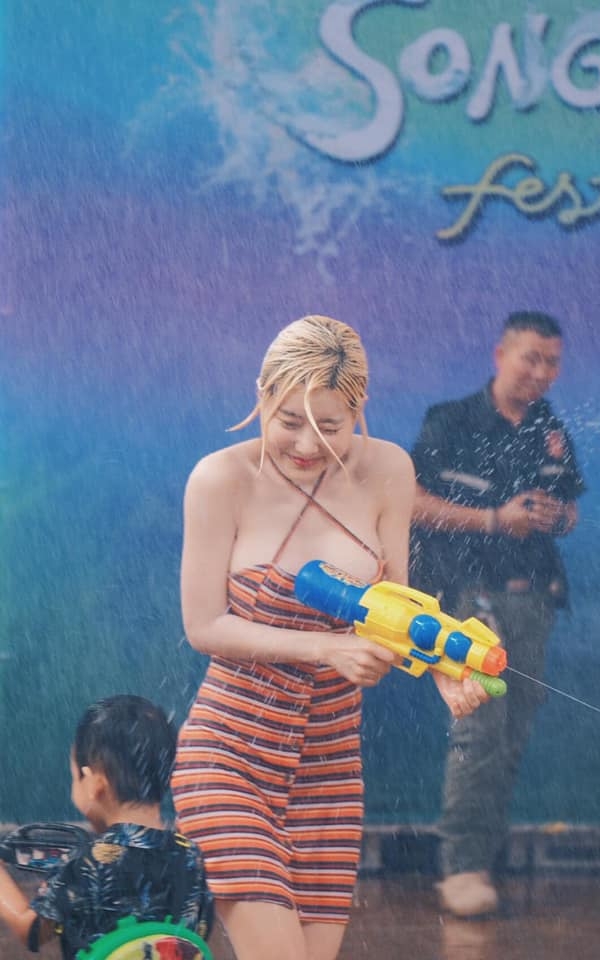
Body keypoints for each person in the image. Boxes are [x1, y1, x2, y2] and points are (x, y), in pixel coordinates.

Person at [170, 314, 486, 960]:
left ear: (359, 409)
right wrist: (325, 648)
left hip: (330, 772)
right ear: (261, 394)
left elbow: (393, 605)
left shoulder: (389, 470)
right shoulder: (219, 480)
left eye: (330, 426)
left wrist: (438, 661)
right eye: (289, 421)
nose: (307, 445)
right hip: (229, 758)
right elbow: (203, 626)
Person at [410, 311, 586, 918]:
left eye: (552, 362)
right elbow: (410, 502)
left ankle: (481, 860)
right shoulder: (450, 421)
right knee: (479, 730)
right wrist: (493, 519)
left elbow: (571, 510)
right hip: (466, 599)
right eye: (530, 357)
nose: (541, 372)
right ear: (500, 355)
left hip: (533, 601)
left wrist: (556, 517)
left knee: (511, 736)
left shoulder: (550, 428)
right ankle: (461, 867)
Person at [0, 694, 213, 958]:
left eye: (74, 777)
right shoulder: (192, 858)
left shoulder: (85, 864)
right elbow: (197, 933)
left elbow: (30, 930)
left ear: (94, 783)